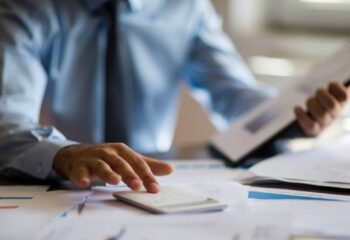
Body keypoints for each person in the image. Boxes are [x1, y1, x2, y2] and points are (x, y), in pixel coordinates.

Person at [0, 0, 348, 193]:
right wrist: (65, 153)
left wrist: (296, 118)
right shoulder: (27, 8)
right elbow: (6, 121)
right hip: (60, 186)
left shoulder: (186, 7)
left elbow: (234, 95)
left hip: (153, 184)